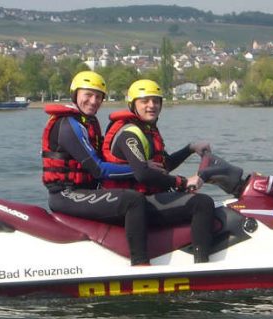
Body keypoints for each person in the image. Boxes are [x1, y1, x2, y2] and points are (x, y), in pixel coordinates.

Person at [41, 70, 151, 266]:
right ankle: (141, 264)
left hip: (83, 191)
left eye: (98, 96)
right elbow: (98, 170)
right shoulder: (68, 125)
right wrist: (141, 169)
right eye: (88, 95)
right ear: (75, 95)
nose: (93, 101)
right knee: (133, 201)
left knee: (132, 194)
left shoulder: (87, 123)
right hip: (65, 195)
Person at [101, 79, 215, 263]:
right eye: (145, 101)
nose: (151, 105)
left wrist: (190, 148)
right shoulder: (130, 134)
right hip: (133, 206)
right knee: (202, 204)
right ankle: (201, 265)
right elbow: (143, 174)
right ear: (133, 105)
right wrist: (183, 182)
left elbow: (164, 165)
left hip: (145, 198)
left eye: (156, 101)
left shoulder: (147, 130)